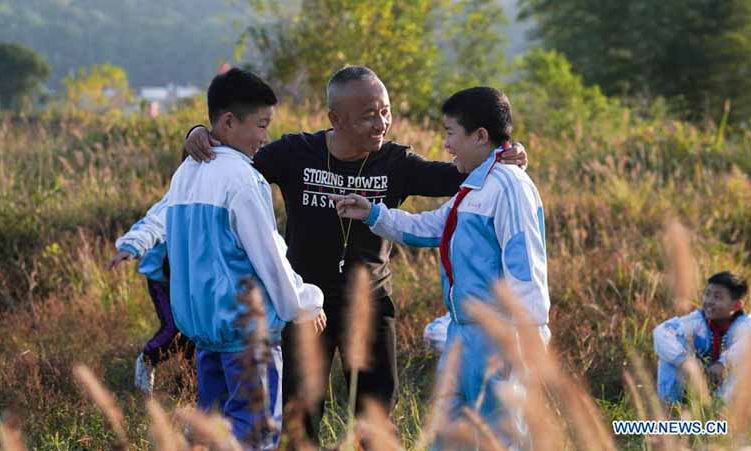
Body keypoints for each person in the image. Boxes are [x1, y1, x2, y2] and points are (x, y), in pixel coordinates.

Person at [170, 65, 528, 444]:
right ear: (335, 118)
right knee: (300, 414)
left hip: (370, 305)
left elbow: (459, 173)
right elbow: (233, 160)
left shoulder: (396, 163)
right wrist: (197, 133)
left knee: (374, 415)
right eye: (368, 115)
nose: (381, 123)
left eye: (386, 111)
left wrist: (504, 152)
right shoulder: (295, 153)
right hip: (308, 310)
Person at [333, 86, 550, 446]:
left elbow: (526, 266)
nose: (446, 145)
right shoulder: (475, 187)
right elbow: (432, 227)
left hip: (501, 337)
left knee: (503, 437)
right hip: (463, 335)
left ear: (480, 136)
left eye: (451, 133)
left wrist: (528, 339)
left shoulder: (510, 187)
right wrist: (372, 213)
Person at [163, 68, 326, 448]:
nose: (263, 137)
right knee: (254, 434)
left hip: (206, 333)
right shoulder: (243, 179)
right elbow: (269, 255)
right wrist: (304, 302)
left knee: (211, 431)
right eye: (260, 125)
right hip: (247, 335)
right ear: (228, 121)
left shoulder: (185, 174)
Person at [108, 199, 195, 394]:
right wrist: (131, 246)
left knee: (193, 334)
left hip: (189, 279)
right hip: (162, 279)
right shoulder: (180, 195)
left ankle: (188, 388)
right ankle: (147, 362)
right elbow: (153, 224)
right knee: (173, 328)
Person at [653, 271, 751, 405]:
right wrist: (684, 361)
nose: (709, 301)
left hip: (727, 393)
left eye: (717, 297)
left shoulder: (746, 325)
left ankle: (720, 411)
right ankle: (671, 407)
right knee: (669, 354)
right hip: (695, 384)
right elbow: (661, 332)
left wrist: (723, 364)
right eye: (707, 294)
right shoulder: (696, 321)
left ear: (737, 305)